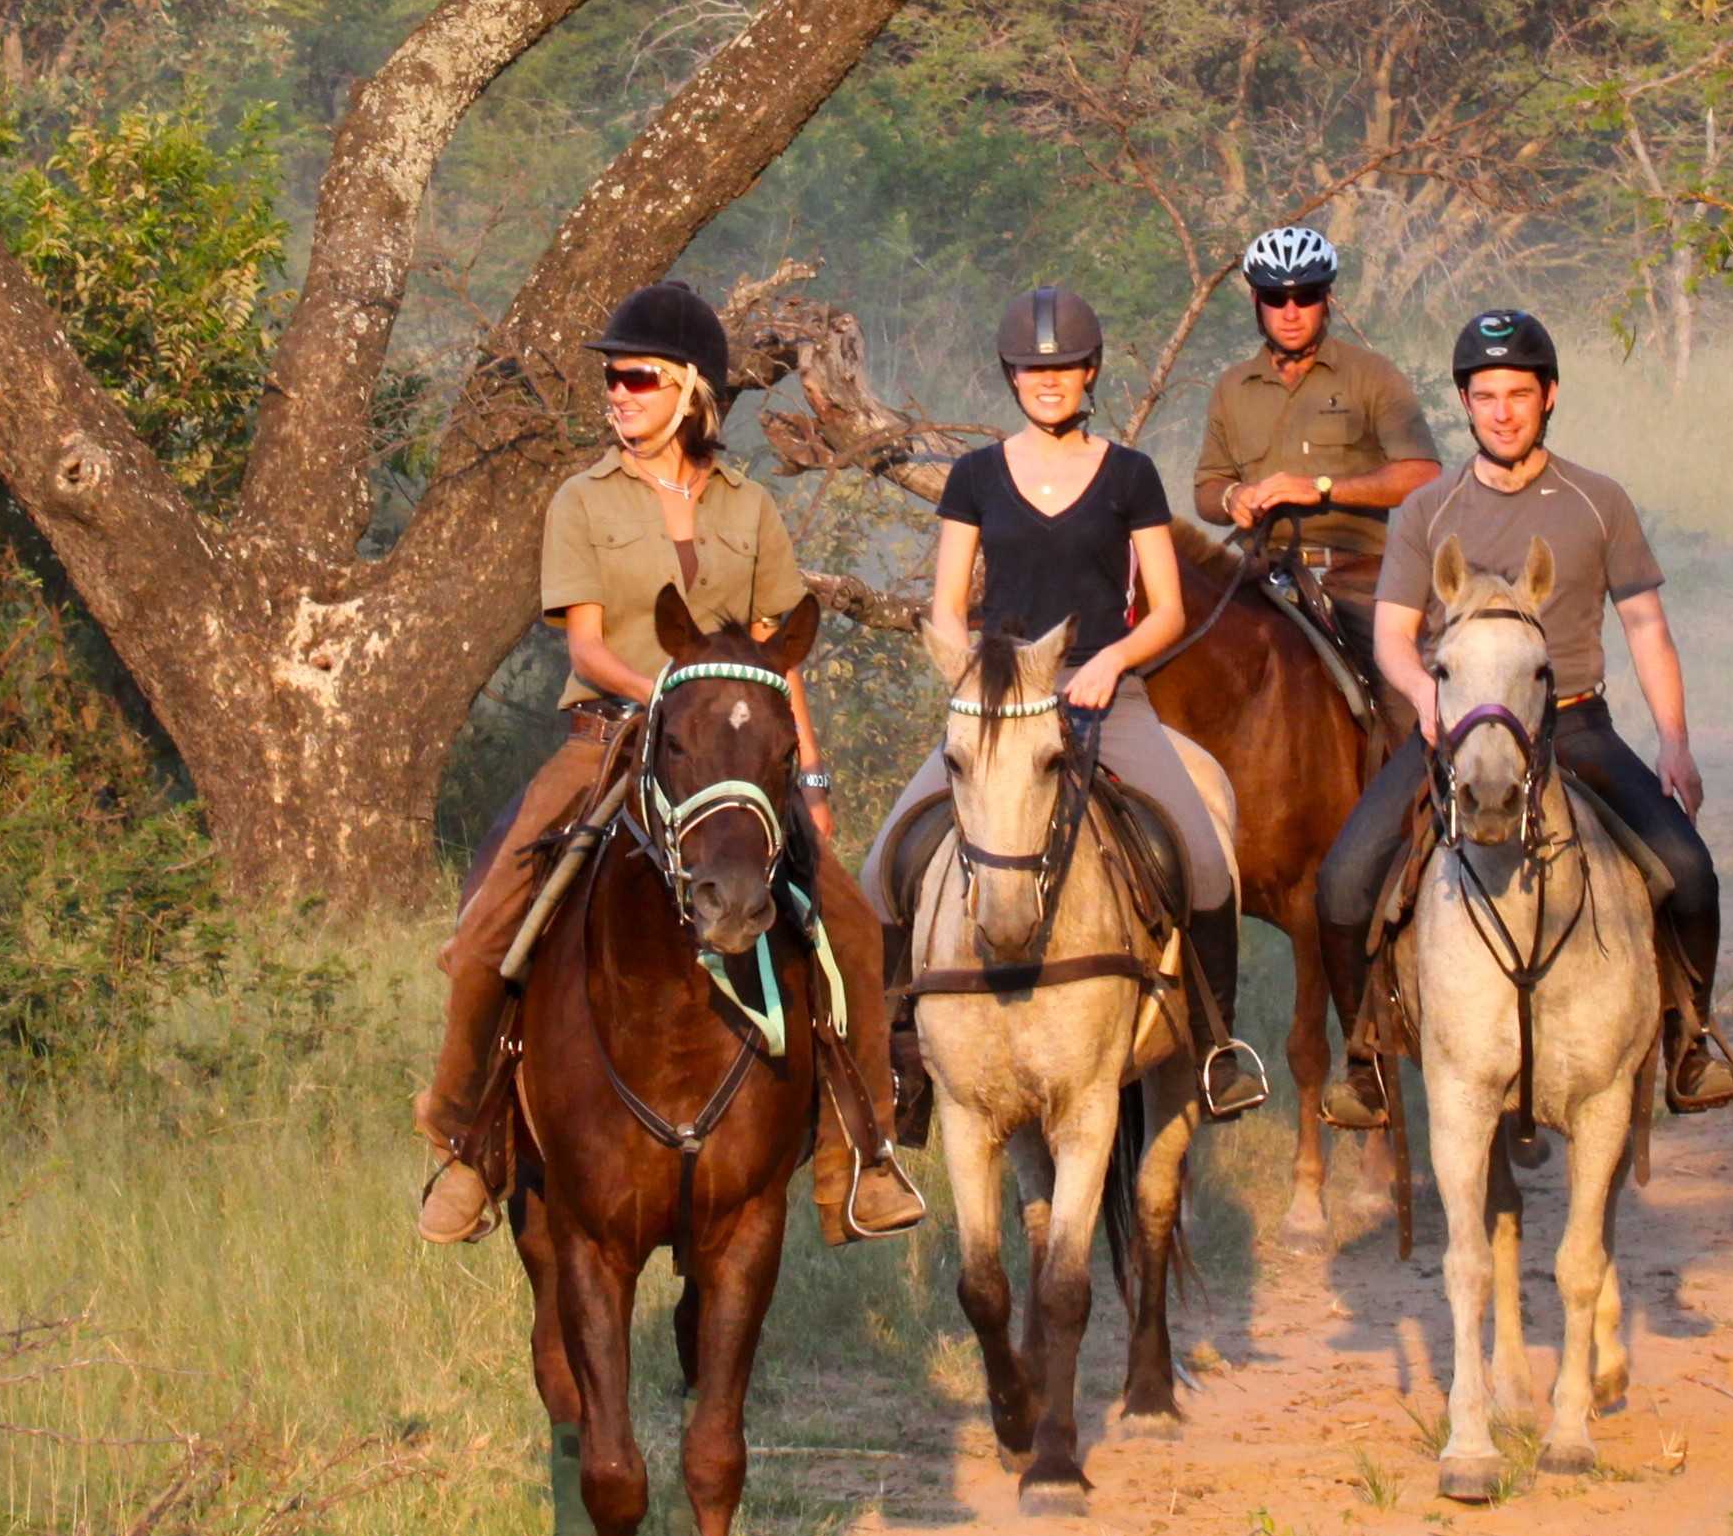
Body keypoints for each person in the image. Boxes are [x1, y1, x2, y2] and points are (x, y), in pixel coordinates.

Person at [413, 279, 930, 1249]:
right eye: (612, 379)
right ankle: (463, 1145)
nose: (617, 394)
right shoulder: (584, 499)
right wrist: (673, 705)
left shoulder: (750, 508)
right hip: (612, 734)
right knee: (488, 936)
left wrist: (810, 784)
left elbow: (779, 663)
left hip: (736, 754)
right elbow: (588, 647)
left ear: (691, 391)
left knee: (855, 936)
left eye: (637, 378)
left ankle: (858, 1159)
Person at [1307, 310, 1733, 1120]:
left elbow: (1647, 628)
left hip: (1572, 724)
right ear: (1465, 405)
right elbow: (1397, 637)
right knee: (1341, 883)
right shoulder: (1427, 510)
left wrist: (1676, 744)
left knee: (1688, 871)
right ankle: (1365, 1053)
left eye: (1518, 393)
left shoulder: (1597, 501)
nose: (1501, 411)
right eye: (1484, 395)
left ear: (1548, 398)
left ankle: (1689, 1039)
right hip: (1455, 731)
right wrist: (1429, 699)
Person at [866, 288, 1274, 1122]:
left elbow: (1163, 606)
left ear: (1090, 372)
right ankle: (902, 1062)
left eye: (1063, 367)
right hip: (1003, 703)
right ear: (1011, 377)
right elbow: (948, 603)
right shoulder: (976, 476)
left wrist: (1114, 659)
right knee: (884, 868)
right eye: (1032, 369)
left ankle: (1215, 1050)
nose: (1048, 381)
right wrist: (963, 668)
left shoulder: (1130, 475)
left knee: (1198, 857)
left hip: (1104, 692)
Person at [1189, 224, 1445, 692]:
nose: (1290, 312)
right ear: (1256, 301)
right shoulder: (1232, 388)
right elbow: (1206, 490)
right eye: (1275, 297)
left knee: (1407, 697)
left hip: (1354, 576)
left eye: (1305, 296)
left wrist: (1322, 487)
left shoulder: (1372, 375)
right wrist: (1233, 497)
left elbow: (1424, 475)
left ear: (1326, 298)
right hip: (1256, 575)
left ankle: (1420, 762)